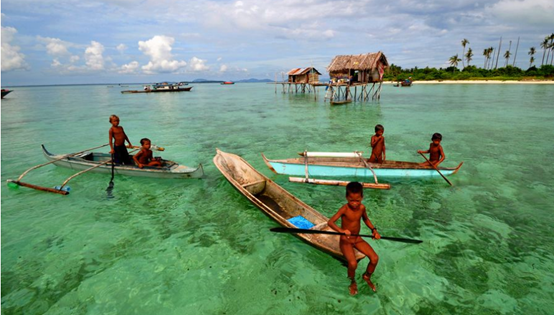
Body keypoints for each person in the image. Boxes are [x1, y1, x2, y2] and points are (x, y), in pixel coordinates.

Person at [328, 182, 381, 295]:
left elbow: (366, 220)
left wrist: (374, 230)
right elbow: (330, 222)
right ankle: (352, 282)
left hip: (357, 239)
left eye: (357, 200)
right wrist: (342, 231)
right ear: (347, 197)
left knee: (375, 258)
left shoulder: (362, 208)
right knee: (352, 264)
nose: (355, 203)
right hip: (346, 241)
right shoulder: (344, 209)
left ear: (362, 197)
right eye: (351, 200)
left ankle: (366, 276)